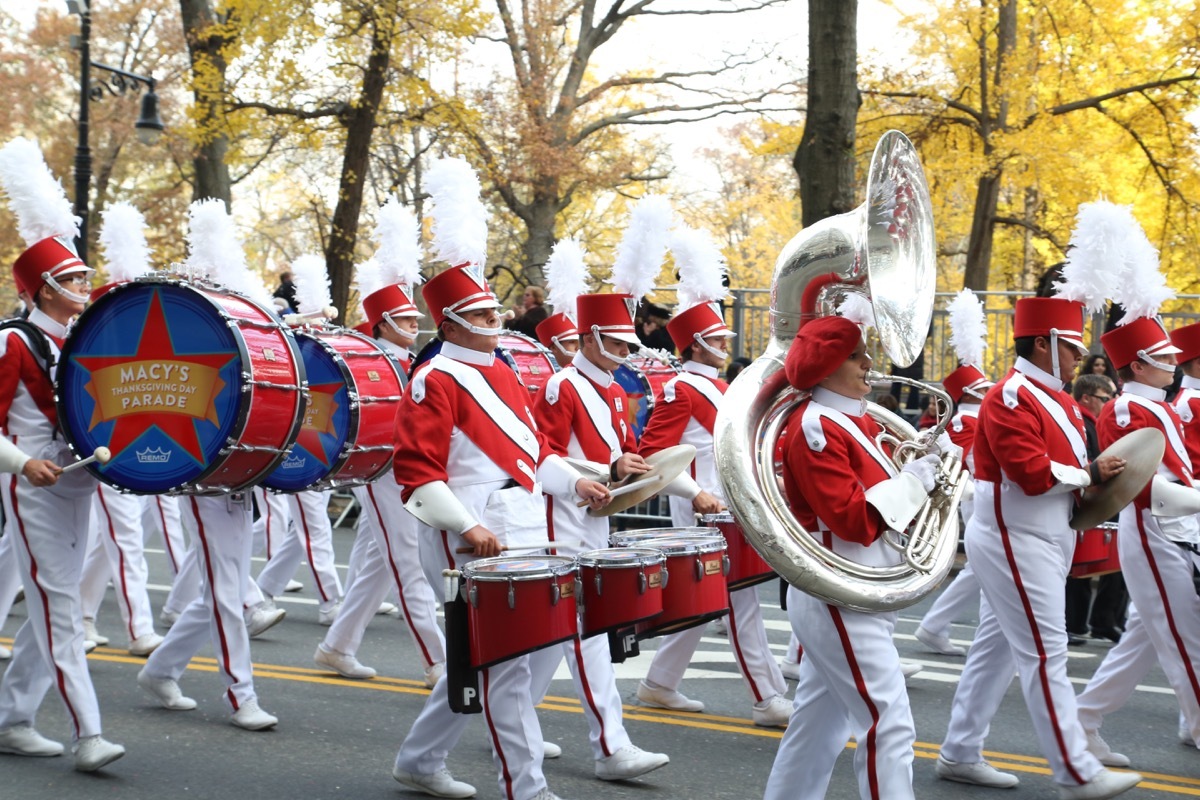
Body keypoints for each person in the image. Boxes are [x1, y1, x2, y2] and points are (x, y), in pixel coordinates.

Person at [388, 263, 608, 800]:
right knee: (505, 664)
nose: (496, 321)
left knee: (491, 656)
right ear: (451, 325)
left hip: (521, 523)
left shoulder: (505, 372)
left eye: (495, 312)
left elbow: (533, 457)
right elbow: (417, 474)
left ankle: (419, 760)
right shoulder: (432, 378)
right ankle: (527, 789)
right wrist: (469, 525)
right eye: (483, 315)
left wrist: (576, 484)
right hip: (464, 531)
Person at [934, 296, 1141, 798]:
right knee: (1047, 653)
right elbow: (1029, 473)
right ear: (1046, 345)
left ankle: (960, 751)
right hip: (1016, 538)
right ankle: (1077, 771)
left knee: (996, 651)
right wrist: (1088, 476)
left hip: (1043, 535)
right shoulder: (1010, 396)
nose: (1077, 358)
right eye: (1070, 348)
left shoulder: (1058, 398)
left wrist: (1092, 485)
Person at [763, 315, 939, 800]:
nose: (869, 363)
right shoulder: (819, 425)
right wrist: (914, 481)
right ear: (823, 367)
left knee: (817, 728)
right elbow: (851, 519)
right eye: (855, 356)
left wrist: (923, 471)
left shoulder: (854, 418)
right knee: (890, 724)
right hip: (838, 592)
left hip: (860, 589)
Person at [527, 290, 674, 782]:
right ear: (589, 339)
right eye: (617, 344)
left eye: (628, 345)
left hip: (597, 512)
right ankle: (610, 746)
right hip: (561, 515)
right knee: (584, 626)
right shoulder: (559, 386)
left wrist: (632, 468)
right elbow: (540, 455)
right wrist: (605, 469)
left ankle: (511, 724)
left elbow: (623, 449)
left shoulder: (613, 387)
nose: (627, 353)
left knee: (552, 633)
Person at [635, 283, 790, 728]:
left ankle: (660, 681)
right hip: (704, 511)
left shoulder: (721, 387)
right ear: (697, 344)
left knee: (709, 599)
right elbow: (651, 458)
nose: (725, 347)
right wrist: (694, 493)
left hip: (730, 507)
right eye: (718, 340)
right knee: (742, 600)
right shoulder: (678, 390)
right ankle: (767, 696)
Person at [0, 232, 126, 771]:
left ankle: (11, 718)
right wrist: (20, 463)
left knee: (54, 606)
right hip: (33, 486)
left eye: (82, 277)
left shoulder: (77, 341)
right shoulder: (11, 341)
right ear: (43, 290)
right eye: (72, 279)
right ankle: (89, 734)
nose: (83, 286)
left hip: (78, 482)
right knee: (62, 609)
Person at [1074, 316, 1200, 762]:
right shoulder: (1127, 408)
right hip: (1155, 530)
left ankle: (1082, 723)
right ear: (1139, 366)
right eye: (1163, 357)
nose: (1173, 363)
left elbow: (1180, 470)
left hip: (1177, 528)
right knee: (1190, 643)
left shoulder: (1160, 405)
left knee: (1144, 640)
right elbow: (1142, 486)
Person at [315, 276, 446, 685]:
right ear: (383, 323)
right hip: (382, 469)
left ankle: (337, 646)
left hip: (406, 467)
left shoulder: (410, 362)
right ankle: (438, 661)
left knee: (380, 563)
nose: (413, 324)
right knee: (409, 562)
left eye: (413, 318)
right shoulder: (370, 361)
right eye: (404, 319)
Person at [915, 356, 994, 658]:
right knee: (986, 567)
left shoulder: (976, 417)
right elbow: (956, 463)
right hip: (977, 499)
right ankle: (939, 627)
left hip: (983, 496)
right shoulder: (967, 420)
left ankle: (935, 625)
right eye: (983, 387)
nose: (989, 391)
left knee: (981, 568)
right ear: (971, 392)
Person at [1064, 374, 1126, 647]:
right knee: (1079, 567)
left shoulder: (1096, 423)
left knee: (1109, 563)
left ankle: (1102, 620)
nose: (1111, 402)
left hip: (1099, 497)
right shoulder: (1081, 422)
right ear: (1086, 398)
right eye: (1105, 397)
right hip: (1086, 499)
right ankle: (1075, 622)